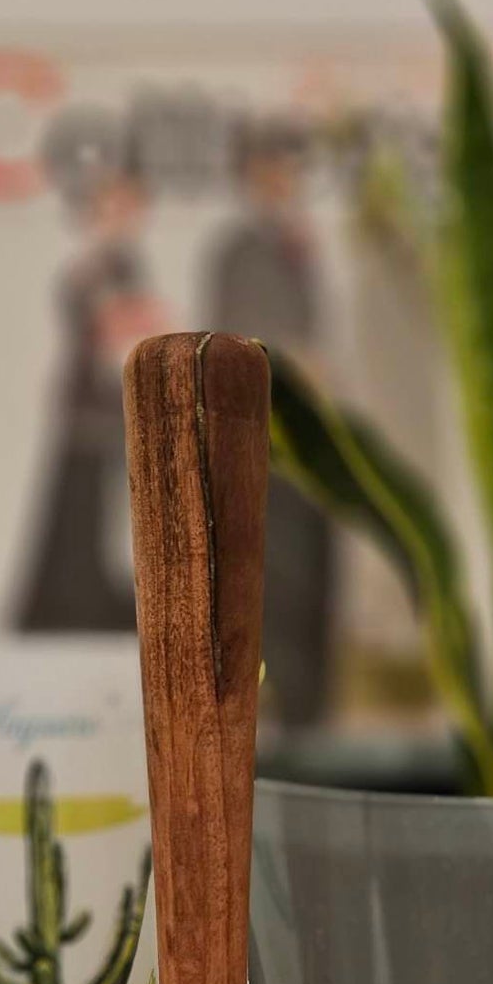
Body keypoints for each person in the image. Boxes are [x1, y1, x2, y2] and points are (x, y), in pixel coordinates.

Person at [205, 118, 334, 726]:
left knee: (311, 572)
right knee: (274, 573)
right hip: (266, 433)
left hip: (310, 437)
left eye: (289, 168)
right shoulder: (239, 251)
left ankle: (312, 706)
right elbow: (234, 340)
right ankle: (280, 703)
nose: (282, 180)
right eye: (270, 168)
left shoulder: (302, 248)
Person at [15, 161, 168, 633]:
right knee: (76, 503)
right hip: (89, 408)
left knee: (106, 510)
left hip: (114, 409)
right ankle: (66, 603)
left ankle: (95, 596)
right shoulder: (89, 271)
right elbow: (99, 331)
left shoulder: (127, 267)